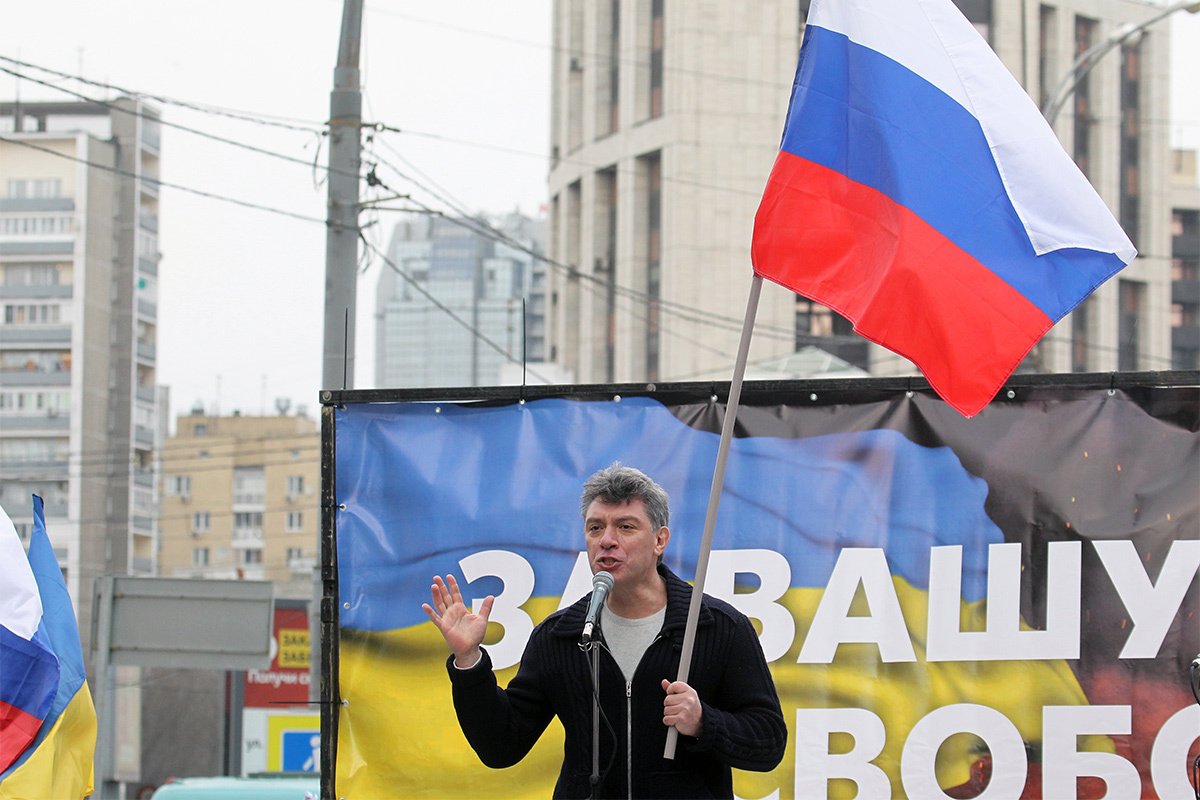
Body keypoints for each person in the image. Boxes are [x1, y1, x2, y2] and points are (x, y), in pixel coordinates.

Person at [422, 463, 786, 799]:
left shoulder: (716, 627)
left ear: (660, 540)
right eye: (595, 527)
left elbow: (769, 743)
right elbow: (501, 747)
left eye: (625, 527)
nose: (606, 540)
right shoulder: (560, 636)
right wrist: (469, 661)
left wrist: (705, 722)